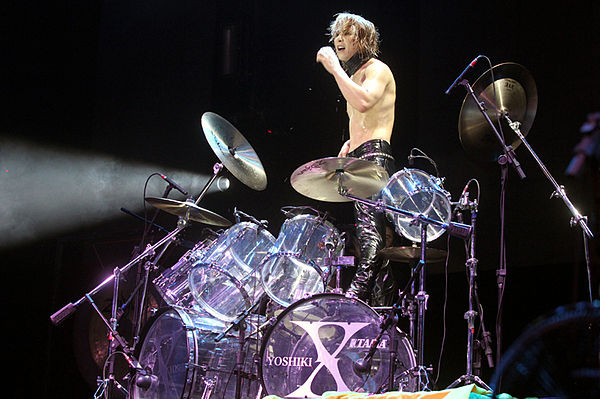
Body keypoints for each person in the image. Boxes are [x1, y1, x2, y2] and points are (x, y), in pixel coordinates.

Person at [316, 12, 397, 302]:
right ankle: (385, 311)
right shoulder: (353, 76)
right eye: (336, 33)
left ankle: (353, 299)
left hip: (375, 156)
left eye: (346, 33)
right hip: (360, 155)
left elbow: (364, 102)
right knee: (368, 236)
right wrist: (351, 142)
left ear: (361, 38)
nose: (339, 38)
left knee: (370, 237)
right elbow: (365, 118)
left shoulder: (377, 70)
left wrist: (334, 68)